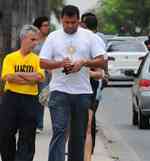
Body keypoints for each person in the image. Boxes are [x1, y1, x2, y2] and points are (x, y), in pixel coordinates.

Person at [39, 5, 106, 161]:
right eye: (67, 22)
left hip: (82, 92)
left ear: (79, 21)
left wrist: (83, 63)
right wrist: (60, 64)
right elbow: (42, 62)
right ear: (62, 20)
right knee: (59, 130)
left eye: (73, 22)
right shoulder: (53, 37)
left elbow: (103, 61)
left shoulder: (89, 37)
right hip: (59, 91)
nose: (70, 26)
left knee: (78, 135)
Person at [0, 25, 45, 161]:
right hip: (11, 99)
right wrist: (29, 78)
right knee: (6, 133)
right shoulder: (10, 57)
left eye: (36, 40)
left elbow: (39, 78)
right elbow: (8, 77)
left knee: (28, 136)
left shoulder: (37, 59)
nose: (35, 43)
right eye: (32, 39)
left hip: (30, 100)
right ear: (23, 39)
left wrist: (18, 74)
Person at [80, 12, 106, 161]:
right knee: (71, 128)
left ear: (83, 24)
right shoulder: (76, 40)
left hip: (90, 87)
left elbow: (100, 72)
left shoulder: (95, 40)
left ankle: (87, 158)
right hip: (73, 88)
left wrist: (80, 70)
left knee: (87, 126)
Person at [32, 16, 50, 133]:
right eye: (45, 25)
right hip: (32, 72)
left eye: (48, 25)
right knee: (31, 98)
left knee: (41, 98)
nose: (47, 28)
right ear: (39, 27)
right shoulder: (33, 39)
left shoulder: (49, 40)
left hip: (44, 74)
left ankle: (39, 124)